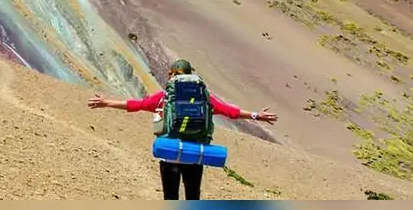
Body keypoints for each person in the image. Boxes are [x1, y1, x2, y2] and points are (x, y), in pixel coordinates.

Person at [87, 59, 278, 200]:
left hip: (170, 153)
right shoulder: (204, 97)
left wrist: (106, 103)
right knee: (193, 195)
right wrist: (256, 115)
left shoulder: (164, 97)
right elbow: (231, 112)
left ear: (172, 74)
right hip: (195, 153)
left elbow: (135, 105)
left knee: (171, 196)